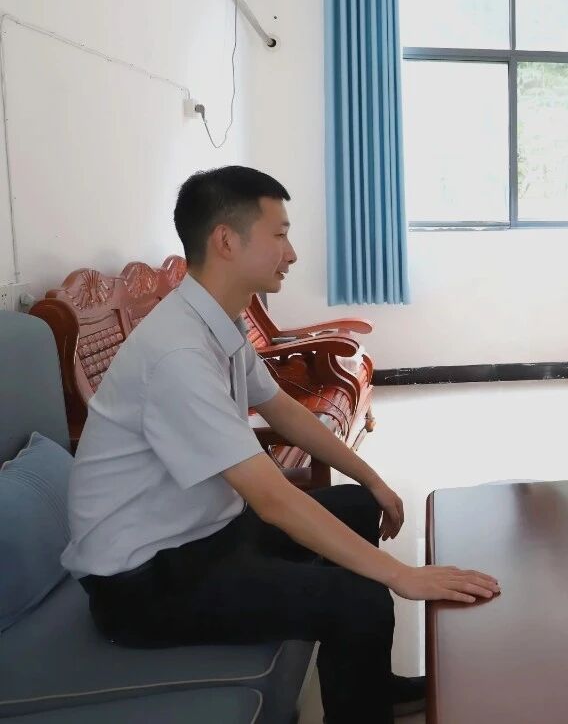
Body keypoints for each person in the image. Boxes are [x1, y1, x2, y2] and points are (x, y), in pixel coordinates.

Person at [61, 166, 500, 723]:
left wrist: (371, 478)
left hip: (203, 533)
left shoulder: (214, 322)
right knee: (361, 598)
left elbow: (283, 410)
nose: (291, 253)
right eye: (280, 234)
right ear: (226, 240)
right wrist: (401, 575)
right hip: (144, 581)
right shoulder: (177, 354)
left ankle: (369, 684)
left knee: (357, 504)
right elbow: (271, 498)